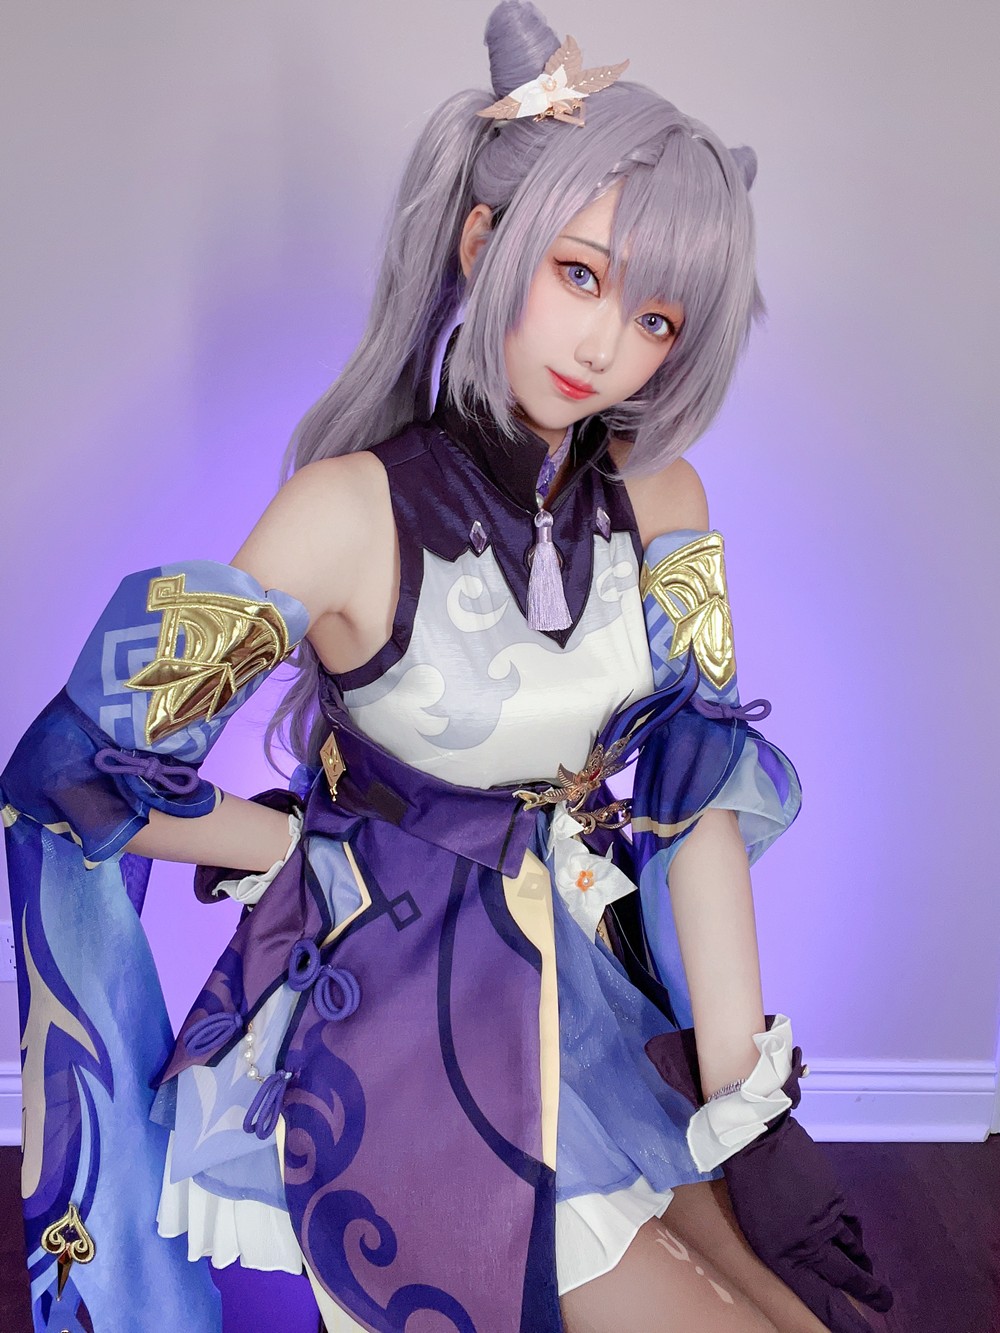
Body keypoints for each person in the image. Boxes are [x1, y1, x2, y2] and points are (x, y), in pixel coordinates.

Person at [1, 4, 893, 1331]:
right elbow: (78, 770)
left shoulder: (669, 498)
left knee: (788, 1306)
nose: (606, 346)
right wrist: (301, 846)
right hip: (408, 1031)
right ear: (486, 243)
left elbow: (694, 777)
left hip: (588, 996)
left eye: (656, 315)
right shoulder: (345, 512)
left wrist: (737, 1079)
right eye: (580, 275)